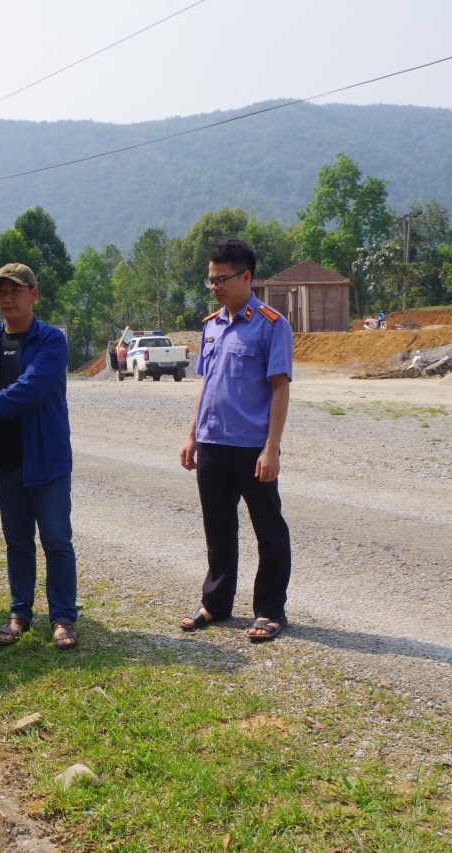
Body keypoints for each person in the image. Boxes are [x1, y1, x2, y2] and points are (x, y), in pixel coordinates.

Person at [179, 238, 293, 642]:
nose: (215, 287)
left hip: (251, 447)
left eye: (221, 279)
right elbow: (206, 384)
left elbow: (280, 388)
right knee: (218, 529)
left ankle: (270, 610)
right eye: (210, 280)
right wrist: (192, 435)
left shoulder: (271, 324)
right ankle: (216, 603)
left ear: (246, 277)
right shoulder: (211, 325)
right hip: (212, 443)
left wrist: (271, 448)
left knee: (269, 530)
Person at [0, 263, 78, 651]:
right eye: (1, 292)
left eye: (15, 291)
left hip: (46, 458)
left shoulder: (51, 341)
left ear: (34, 295)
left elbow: (30, 389)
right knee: (17, 540)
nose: (7, 298)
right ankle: (20, 613)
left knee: (56, 540)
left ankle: (62, 617)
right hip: (6, 459)